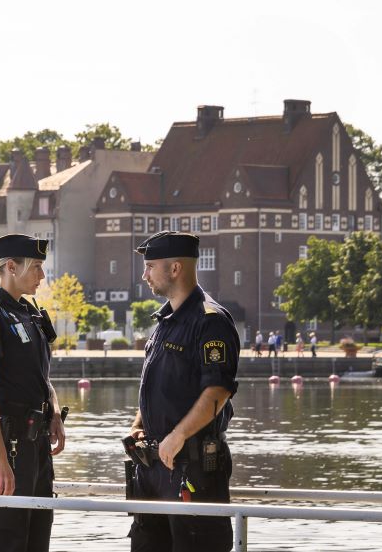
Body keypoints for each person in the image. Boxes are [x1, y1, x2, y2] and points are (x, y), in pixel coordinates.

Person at [127, 231, 240, 552]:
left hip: (193, 467)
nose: (144, 275)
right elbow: (156, 387)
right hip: (154, 468)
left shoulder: (210, 321)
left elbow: (218, 390)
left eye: (150, 266)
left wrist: (178, 435)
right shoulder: (165, 321)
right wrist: (138, 427)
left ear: (175, 269)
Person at [0, 233, 66, 552]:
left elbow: (43, 378)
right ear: (11, 267)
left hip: (36, 445)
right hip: (8, 445)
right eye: (37, 267)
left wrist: (54, 412)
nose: (42, 275)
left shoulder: (32, 314)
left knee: (37, 539)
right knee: (5, 541)